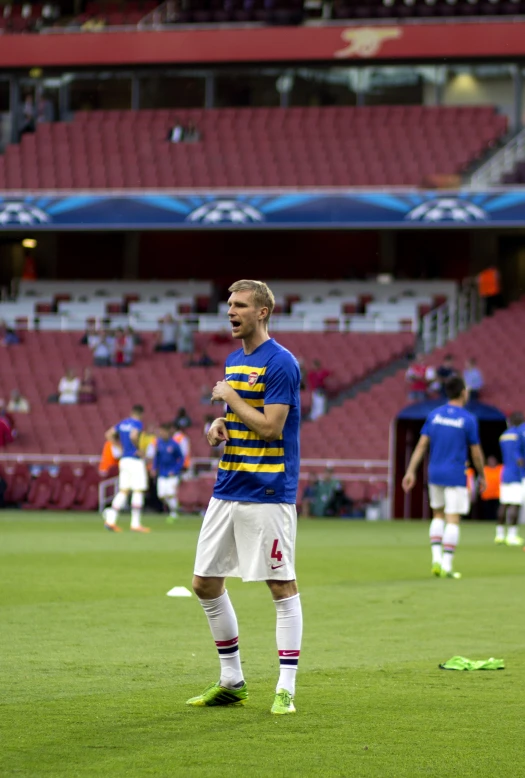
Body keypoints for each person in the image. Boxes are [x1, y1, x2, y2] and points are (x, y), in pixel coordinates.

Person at [186, 279, 302, 716]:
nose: (231, 312)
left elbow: (272, 426)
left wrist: (230, 397)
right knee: (204, 582)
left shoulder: (282, 363)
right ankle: (232, 680)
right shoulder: (234, 359)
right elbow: (239, 415)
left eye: (240, 305)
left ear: (262, 312)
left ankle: (286, 689)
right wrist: (217, 425)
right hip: (227, 486)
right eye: (229, 305)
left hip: (268, 491)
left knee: (280, 585)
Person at [402, 376, 486, 579]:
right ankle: (447, 565)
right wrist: (482, 474)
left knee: (437, 515)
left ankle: (436, 559)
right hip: (455, 474)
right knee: (453, 519)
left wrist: (410, 471)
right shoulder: (468, 418)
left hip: (435, 473)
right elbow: (475, 452)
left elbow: (422, 445)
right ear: (463, 392)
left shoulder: (434, 415)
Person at [102, 405, 150, 533]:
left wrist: (119, 447)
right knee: (138, 490)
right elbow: (134, 436)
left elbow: (108, 434)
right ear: (141, 414)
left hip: (124, 460)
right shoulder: (137, 423)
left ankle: (110, 520)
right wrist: (138, 449)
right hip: (134, 460)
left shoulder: (123, 423)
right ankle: (135, 523)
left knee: (123, 491)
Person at [496, 412, 524, 546]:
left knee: (504, 503)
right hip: (516, 473)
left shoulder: (503, 435)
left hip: (505, 471)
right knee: (515, 504)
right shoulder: (520, 434)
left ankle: (499, 534)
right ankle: (512, 535)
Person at [149, 422, 184, 521]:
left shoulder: (174, 444)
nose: (162, 433)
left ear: (168, 432)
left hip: (172, 474)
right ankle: (175, 508)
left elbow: (181, 459)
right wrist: (154, 468)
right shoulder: (158, 443)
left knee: (170, 493)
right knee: (161, 495)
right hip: (162, 473)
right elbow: (157, 457)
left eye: (164, 432)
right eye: (161, 431)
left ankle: (174, 512)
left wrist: (175, 470)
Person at [479, 456, 503, 522]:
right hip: (486, 495)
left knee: (497, 510)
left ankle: (497, 521)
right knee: (487, 511)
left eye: (493, 461)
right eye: (490, 461)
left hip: (497, 494)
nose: (492, 462)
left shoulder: (500, 468)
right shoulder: (484, 469)